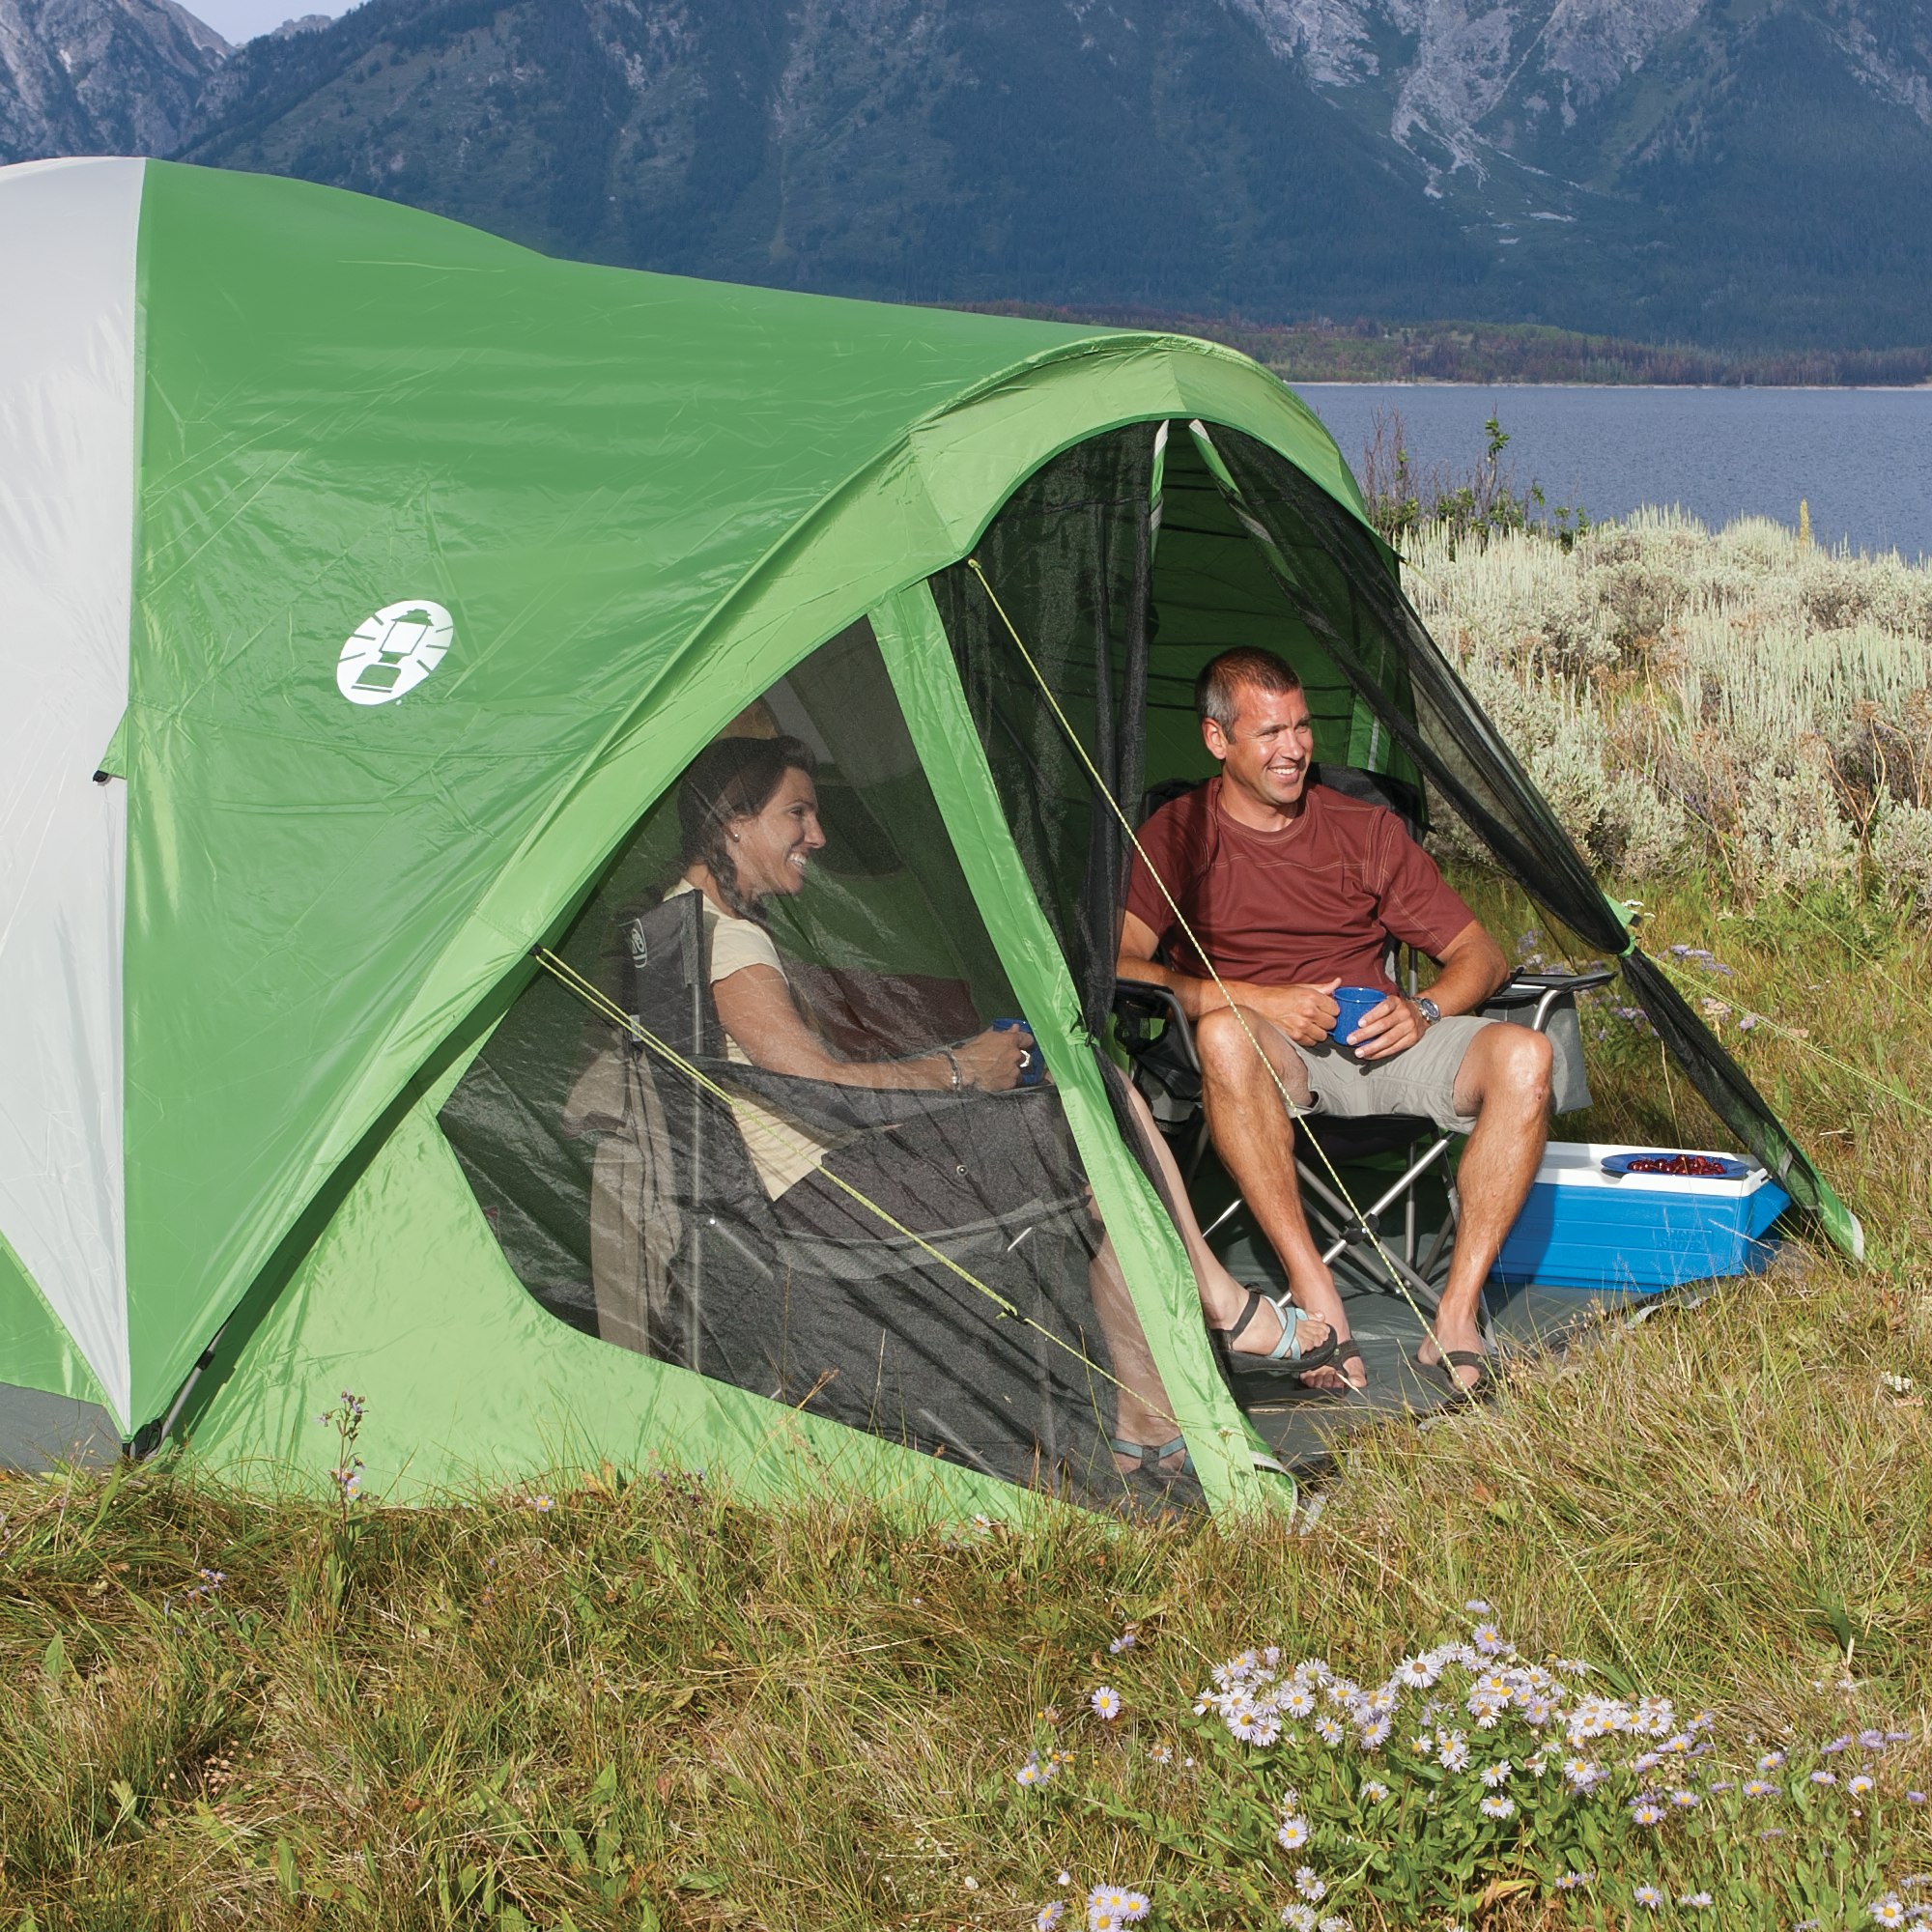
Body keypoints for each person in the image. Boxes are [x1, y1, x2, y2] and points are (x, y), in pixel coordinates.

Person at [668, 733, 1340, 1471]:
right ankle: (1194, 1337)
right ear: (735, 820)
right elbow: (816, 1085)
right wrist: (964, 1071)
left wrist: (955, 1069)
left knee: (1091, 1100)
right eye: (798, 812)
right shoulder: (728, 940)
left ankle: (1152, 1400)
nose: (818, 835)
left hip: (803, 1185)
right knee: (1092, 1112)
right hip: (822, 1203)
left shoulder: (682, 918)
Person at [1115, 647, 1553, 1394]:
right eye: (1269, 733)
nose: (1293, 749)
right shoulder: (1175, 834)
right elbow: (1120, 965)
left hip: (1380, 1040)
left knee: (1527, 1055)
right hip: (1270, 1055)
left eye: (1301, 727)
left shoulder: (1364, 829)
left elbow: (1479, 954)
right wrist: (1257, 999)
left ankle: (1456, 1316)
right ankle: (1317, 1296)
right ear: (1218, 739)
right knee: (1225, 1030)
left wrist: (1424, 1009)